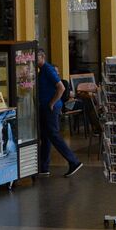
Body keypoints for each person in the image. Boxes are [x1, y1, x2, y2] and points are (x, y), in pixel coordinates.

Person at [35, 49, 82, 178]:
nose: (34, 60)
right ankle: (44, 167)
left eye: (36, 57)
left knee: (54, 135)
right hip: (44, 107)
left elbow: (61, 87)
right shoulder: (41, 72)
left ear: (42, 57)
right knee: (45, 136)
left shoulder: (48, 69)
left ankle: (74, 161)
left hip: (51, 108)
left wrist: (52, 103)